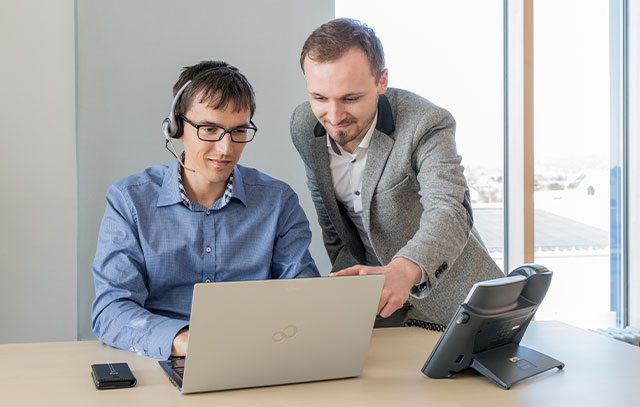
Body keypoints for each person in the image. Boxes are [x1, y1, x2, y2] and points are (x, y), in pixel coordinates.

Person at [92, 61, 319, 359]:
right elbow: (110, 310)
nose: (226, 148)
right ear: (176, 128)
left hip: (257, 356)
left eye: (238, 130)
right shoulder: (129, 201)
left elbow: (305, 299)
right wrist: (185, 342)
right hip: (162, 358)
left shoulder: (278, 203)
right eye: (209, 129)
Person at [290, 18, 503, 328]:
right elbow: (331, 218)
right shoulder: (303, 125)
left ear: (382, 82)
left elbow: (450, 209)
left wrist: (404, 270)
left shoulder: (425, 123)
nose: (334, 116)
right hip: (375, 306)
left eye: (351, 98)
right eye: (320, 98)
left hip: (455, 306)